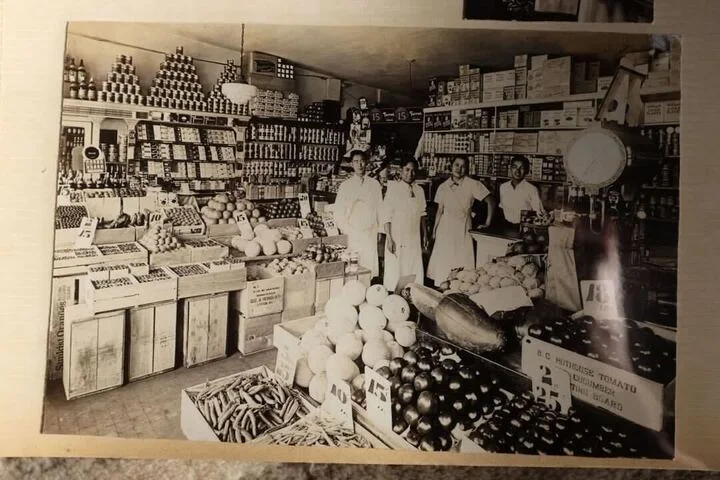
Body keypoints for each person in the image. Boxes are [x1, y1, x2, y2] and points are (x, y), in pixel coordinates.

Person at [427, 155, 497, 286]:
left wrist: (487, 222)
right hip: (445, 229)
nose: (459, 169)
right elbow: (440, 210)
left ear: (468, 169)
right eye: (457, 165)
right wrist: (434, 231)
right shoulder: (443, 186)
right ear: (451, 166)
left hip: (463, 227)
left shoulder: (473, 184)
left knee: (462, 267)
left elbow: (491, 201)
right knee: (444, 265)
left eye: (463, 166)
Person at [334, 149, 383, 278]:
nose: (360, 165)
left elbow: (380, 208)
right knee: (353, 264)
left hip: (370, 230)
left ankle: (368, 287)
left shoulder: (374, 184)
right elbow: (338, 210)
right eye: (356, 161)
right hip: (352, 231)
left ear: (366, 163)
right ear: (351, 164)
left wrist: (379, 230)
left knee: (368, 263)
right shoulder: (345, 186)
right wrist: (343, 228)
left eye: (362, 161)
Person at [382, 158, 428, 292]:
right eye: (407, 170)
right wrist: (389, 238)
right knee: (397, 267)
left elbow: (422, 214)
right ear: (400, 170)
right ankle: (393, 295)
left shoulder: (419, 190)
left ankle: (412, 294)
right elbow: (386, 216)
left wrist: (425, 234)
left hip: (413, 236)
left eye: (413, 170)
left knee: (413, 265)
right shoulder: (393, 189)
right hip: (397, 236)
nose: (410, 173)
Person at [499, 155, 546, 226]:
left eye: (522, 168)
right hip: (505, 226)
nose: (517, 171)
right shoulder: (503, 187)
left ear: (526, 171)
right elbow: (502, 207)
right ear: (510, 169)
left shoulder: (532, 189)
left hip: (525, 228)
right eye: (514, 167)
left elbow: (538, 213)